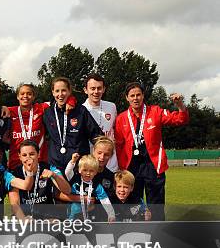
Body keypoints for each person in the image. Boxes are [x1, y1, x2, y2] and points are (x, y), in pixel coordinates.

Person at [114, 82, 189, 221]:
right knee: (133, 205)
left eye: (138, 95)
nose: (135, 98)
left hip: (153, 166)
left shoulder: (155, 112)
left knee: (156, 205)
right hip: (131, 168)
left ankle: (157, 237)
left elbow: (180, 119)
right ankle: (134, 236)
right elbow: (118, 145)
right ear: (127, 98)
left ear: (143, 96)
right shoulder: (121, 118)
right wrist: (121, 168)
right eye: (132, 95)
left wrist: (180, 105)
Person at [42, 77, 103, 173]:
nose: (60, 94)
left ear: (69, 91)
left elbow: (96, 136)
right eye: (57, 91)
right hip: (55, 166)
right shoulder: (47, 113)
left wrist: (101, 155)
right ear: (53, 92)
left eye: (64, 90)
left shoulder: (81, 111)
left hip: (78, 166)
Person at [10, 140, 72, 220]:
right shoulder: (15, 173)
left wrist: (54, 175)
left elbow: (67, 190)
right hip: (24, 214)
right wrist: (23, 220)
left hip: (47, 215)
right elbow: (14, 204)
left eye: (32, 154)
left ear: (38, 154)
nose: (28, 158)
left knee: (54, 223)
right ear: (20, 157)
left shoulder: (49, 168)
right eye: (24, 155)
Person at [65, 136, 116, 221]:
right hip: (73, 217)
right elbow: (68, 174)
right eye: (99, 153)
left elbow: (105, 199)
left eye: (106, 154)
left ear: (111, 156)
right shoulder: (80, 170)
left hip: (97, 219)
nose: (102, 157)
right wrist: (73, 162)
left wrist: (111, 214)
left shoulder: (110, 176)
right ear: (93, 151)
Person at [7, 84, 50, 169]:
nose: (25, 96)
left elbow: (58, 100)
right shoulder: (10, 111)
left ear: (34, 96)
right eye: (22, 94)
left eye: (29, 93)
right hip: (16, 164)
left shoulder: (40, 108)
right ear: (17, 96)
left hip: (39, 162)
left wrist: (71, 100)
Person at [83, 74, 118, 172]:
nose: (96, 92)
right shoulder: (81, 110)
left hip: (111, 165)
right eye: (92, 88)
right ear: (86, 90)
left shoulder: (111, 107)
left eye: (99, 88)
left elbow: (115, 129)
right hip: (90, 166)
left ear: (104, 89)